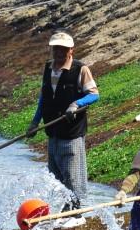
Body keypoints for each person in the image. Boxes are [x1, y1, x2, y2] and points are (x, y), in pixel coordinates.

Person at [28, 30, 99, 220]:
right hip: (53, 131)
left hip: (72, 133)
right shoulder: (48, 68)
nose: (59, 53)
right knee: (56, 175)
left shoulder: (80, 70)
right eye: (56, 49)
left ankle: (78, 214)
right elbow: (44, 97)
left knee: (73, 176)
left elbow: (94, 94)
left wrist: (76, 104)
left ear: (71, 50)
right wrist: (35, 121)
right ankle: (66, 210)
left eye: (63, 49)